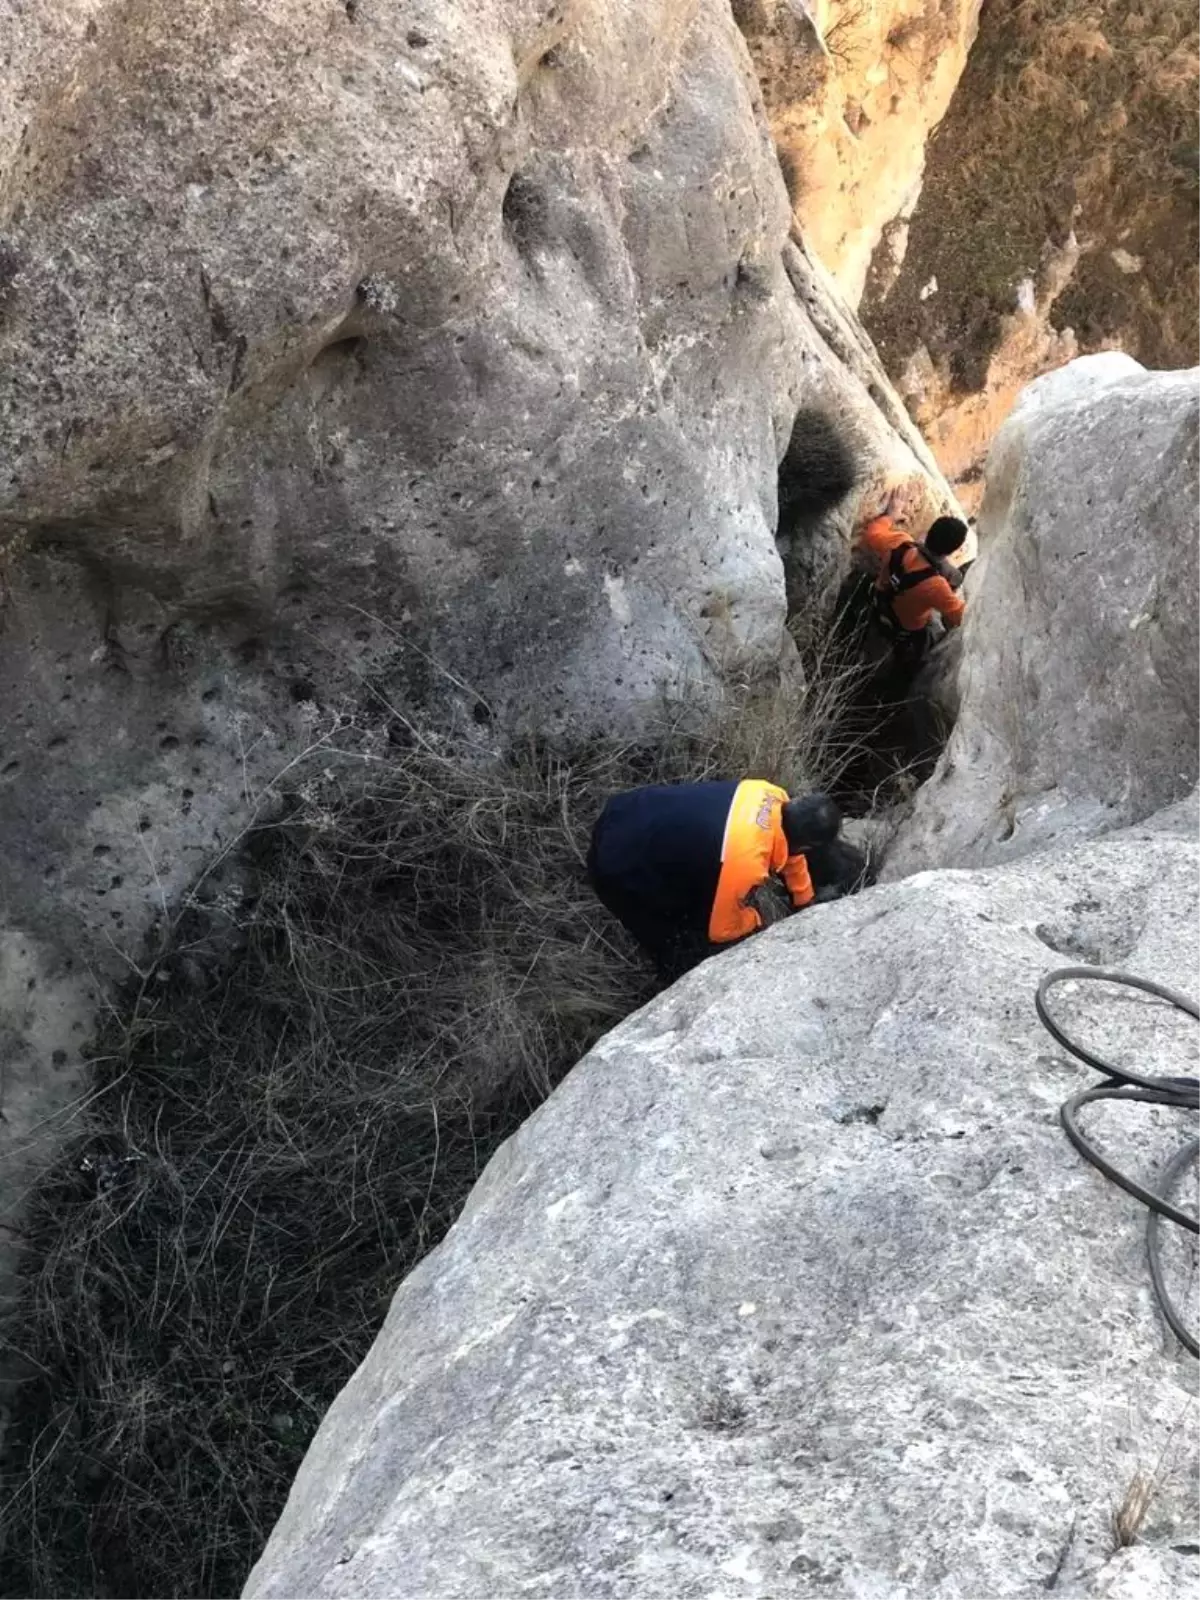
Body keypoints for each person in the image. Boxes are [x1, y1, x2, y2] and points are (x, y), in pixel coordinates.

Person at [587, 779, 841, 979]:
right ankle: (668, 981)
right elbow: (721, 930)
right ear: (807, 846)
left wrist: (803, 900)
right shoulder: (747, 863)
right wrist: (754, 918)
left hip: (627, 809)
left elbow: (790, 852)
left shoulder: (770, 793)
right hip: (617, 866)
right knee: (673, 937)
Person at [860, 488, 970, 670]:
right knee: (931, 639)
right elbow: (959, 616)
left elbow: (872, 534)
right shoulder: (936, 586)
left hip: (880, 604)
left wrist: (891, 515)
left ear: (929, 533)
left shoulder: (900, 543)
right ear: (951, 552)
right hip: (907, 628)